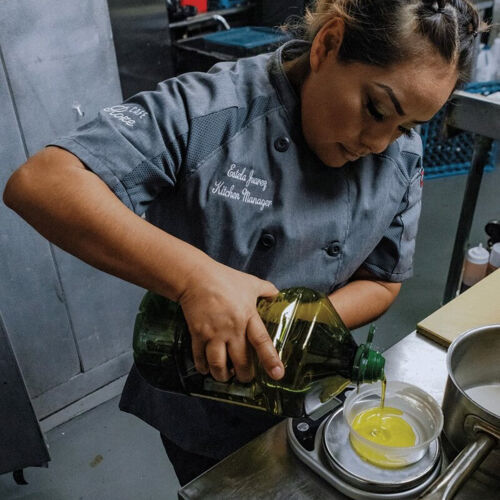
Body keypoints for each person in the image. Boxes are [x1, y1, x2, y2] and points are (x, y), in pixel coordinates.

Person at [4, 0, 481, 487]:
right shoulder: (213, 111)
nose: (379, 143)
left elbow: (381, 281)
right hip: (200, 392)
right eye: (376, 109)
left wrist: (293, 330)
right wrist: (197, 279)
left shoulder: (401, 155)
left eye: (404, 127)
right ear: (328, 43)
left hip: (311, 388)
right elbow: (42, 182)